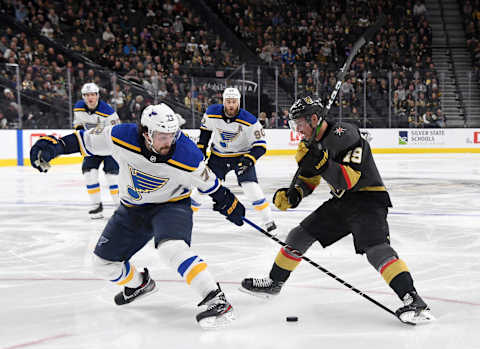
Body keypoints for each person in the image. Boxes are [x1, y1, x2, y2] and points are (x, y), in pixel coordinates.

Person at [29, 103, 246, 329]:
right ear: (146, 133)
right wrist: (55, 146)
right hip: (132, 209)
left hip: (171, 205)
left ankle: (215, 298)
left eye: (172, 135)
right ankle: (140, 284)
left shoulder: (187, 154)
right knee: (102, 264)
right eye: (162, 136)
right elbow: (83, 140)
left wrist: (226, 199)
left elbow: (209, 183)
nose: (168, 142)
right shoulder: (121, 136)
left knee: (171, 248)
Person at [240, 96, 434, 325]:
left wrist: (321, 162)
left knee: (376, 250)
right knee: (298, 236)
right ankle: (274, 283)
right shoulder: (311, 144)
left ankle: (414, 301)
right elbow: (309, 179)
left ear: (314, 119)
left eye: (299, 124)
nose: (297, 130)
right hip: (342, 201)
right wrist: (295, 194)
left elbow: (349, 179)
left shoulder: (346, 135)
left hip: (368, 198)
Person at [194, 87, 276, 232]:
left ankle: (268, 221)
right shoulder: (212, 113)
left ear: (239, 102)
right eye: (228, 101)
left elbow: (260, 146)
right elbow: (205, 133)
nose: (231, 105)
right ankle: (187, 217)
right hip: (218, 157)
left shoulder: (249, 120)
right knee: (203, 186)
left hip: (241, 157)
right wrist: (201, 149)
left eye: (234, 101)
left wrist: (249, 160)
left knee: (251, 187)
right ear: (223, 101)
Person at [73, 83, 121, 219]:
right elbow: (77, 124)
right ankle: (96, 206)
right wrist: (81, 135)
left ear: (98, 96)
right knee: (89, 174)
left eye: (93, 94)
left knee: (112, 178)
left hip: (108, 147)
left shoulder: (108, 112)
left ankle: (120, 207)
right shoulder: (78, 108)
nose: (90, 98)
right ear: (83, 97)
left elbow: (117, 132)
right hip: (91, 146)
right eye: (87, 95)